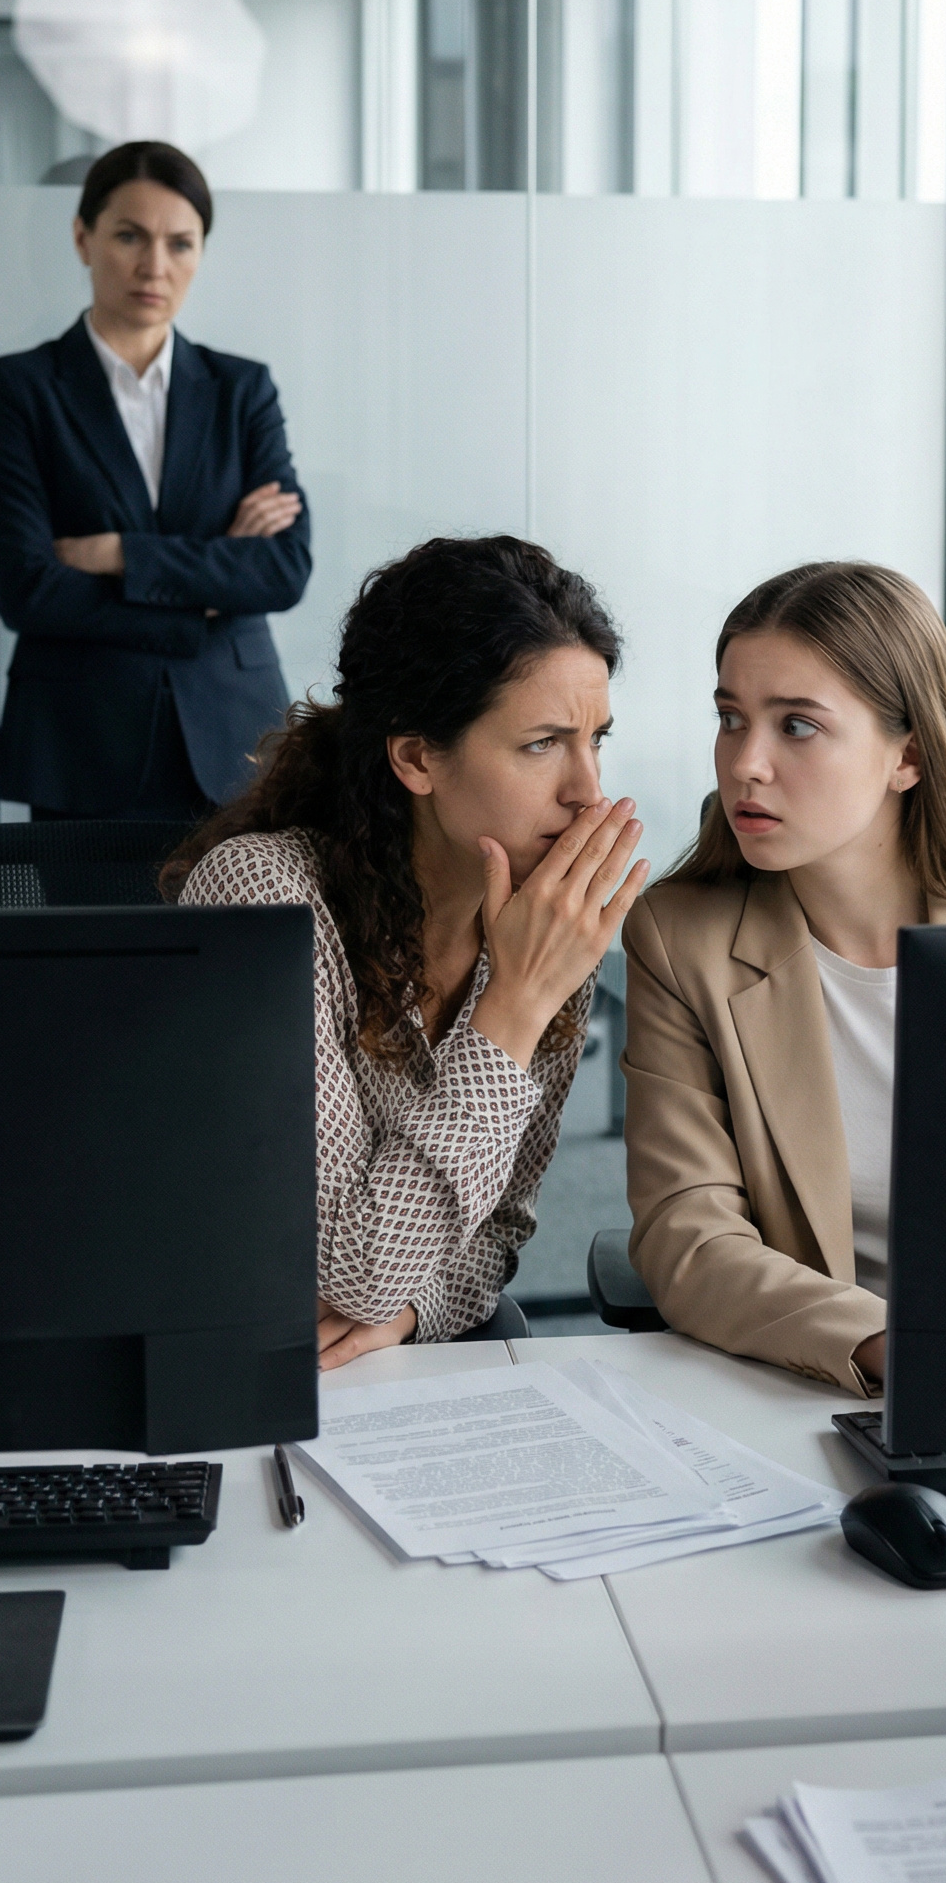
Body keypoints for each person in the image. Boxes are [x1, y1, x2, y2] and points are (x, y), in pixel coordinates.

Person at [621, 560, 946, 1397]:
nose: (746, 764)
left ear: (909, 756)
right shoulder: (682, 940)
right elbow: (688, 1233)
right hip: (816, 1383)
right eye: (731, 718)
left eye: (798, 726)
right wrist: (895, 1347)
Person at [162, 536, 649, 1366]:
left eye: (595, 738)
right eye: (542, 744)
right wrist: (515, 1008)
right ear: (418, 756)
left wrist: (413, 1314)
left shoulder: (539, 927)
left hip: (385, 1370)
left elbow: (496, 1232)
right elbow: (352, 1271)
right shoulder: (267, 897)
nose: (587, 792)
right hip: (224, 1360)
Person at [0, 139, 310, 820]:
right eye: (129, 235)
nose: (154, 265)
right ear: (83, 237)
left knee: (237, 930)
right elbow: (28, 587)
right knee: (89, 932)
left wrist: (119, 555)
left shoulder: (240, 390)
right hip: (82, 743)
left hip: (235, 739)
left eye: (181, 243)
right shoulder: (20, 389)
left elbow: (281, 569)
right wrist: (208, 592)